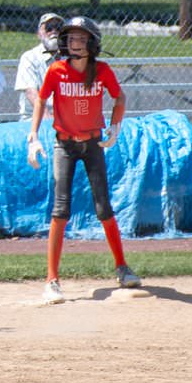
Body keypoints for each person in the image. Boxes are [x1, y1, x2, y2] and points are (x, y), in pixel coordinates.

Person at [26, 16, 141, 304]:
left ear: (92, 42)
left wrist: (115, 127)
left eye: (80, 37)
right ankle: (52, 280)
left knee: (104, 207)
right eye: (70, 37)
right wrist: (33, 136)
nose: (74, 42)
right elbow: (41, 99)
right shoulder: (57, 70)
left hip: (92, 144)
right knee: (60, 208)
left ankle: (122, 268)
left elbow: (119, 97)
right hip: (64, 144)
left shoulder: (101, 71)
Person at [14, 12, 63, 120]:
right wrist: (49, 121)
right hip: (34, 118)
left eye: (58, 28)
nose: (54, 32)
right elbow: (31, 93)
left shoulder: (71, 59)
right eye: (49, 28)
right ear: (39, 34)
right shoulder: (29, 57)